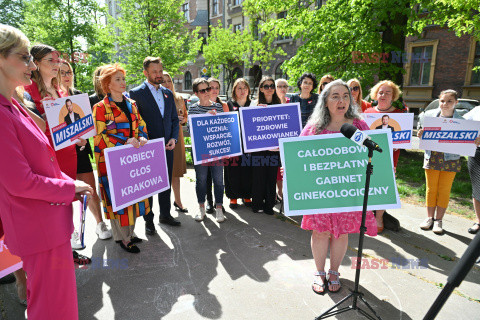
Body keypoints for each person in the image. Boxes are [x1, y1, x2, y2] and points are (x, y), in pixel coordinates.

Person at [0, 24, 93, 319]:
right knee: (52, 309)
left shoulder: (14, 106)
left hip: (48, 225)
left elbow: (45, 162)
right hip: (38, 229)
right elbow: (20, 182)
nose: (31, 65)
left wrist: (71, 182)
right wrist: (70, 188)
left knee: (58, 305)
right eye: (24, 57)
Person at [301, 79, 378, 295]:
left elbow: (371, 156)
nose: (342, 100)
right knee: (320, 231)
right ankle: (319, 272)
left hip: (348, 191)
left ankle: (334, 271)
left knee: (342, 232)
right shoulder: (314, 128)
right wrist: (289, 171)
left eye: (345, 95)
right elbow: (299, 159)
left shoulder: (358, 126)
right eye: (335, 96)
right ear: (325, 101)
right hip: (320, 191)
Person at [24, 44, 91, 260]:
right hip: (45, 158)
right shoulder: (27, 92)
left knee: (65, 204)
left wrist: (81, 140)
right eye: (50, 61)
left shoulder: (62, 90)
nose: (57, 64)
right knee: (50, 205)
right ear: (36, 64)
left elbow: (72, 126)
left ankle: (66, 248)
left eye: (57, 59)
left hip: (68, 155)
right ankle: (51, 251)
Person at [93, 63, 150, 253]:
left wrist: (142, 137)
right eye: (118, 79)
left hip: (132, 159)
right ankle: (124, 238)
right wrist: (123, 143)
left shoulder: (131, 103)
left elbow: (140, 124)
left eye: (123, 78)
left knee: (133, 195)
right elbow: (99, 136)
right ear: (107, 84)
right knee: (118, 199)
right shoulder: (100, 107)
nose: (123, 82)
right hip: (111, 162)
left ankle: (128, 234)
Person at [59, 61, 112, 240]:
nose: (67, 76)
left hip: (81, 151)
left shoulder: (79, 96)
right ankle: (70, 231)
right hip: (60, 155)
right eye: (63, 72)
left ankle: (99, 224)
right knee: (64, 194)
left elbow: (89, 126)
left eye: (70, 72)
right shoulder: (49, 99)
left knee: (89, 190)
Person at [129, 57, 181, 235]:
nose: (159, 75)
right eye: (155, 72)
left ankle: (165, 214)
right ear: (146, 73)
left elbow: (174, 119)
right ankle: (148, 220)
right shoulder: (135, 93)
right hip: (147, 148)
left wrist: (174, 138)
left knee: (165, 182)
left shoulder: (167, 93)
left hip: (167, 146)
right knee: (149, 186)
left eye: (160, 71)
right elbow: (134, 122)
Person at [417, 90, 479, 234]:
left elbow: (470, 139)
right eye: (442, 101)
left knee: (444, 190)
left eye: (449, 101)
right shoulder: (429, 116)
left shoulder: (463, 122)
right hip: (432, 157)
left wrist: (475, 140)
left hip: (451, 160)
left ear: (456, 103)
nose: (445, 104)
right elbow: (422, 133)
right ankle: (429, 218)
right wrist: (420, 133)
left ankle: (439, 220)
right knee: (431, 189)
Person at [364, 80, 406, 232]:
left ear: (393, 96)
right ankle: (367, 218)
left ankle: (379, 218)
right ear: (375, 94)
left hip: (389, 160)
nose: (383, 95)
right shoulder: (367, 114)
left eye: (388, 92)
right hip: (368, 158)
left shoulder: (400, 115)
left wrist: (398, 144)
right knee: (368, 188)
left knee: (382, 189)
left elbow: (404, 140)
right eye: (381, 92)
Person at [188, 78, 226, 223]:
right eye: (203, 90)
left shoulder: (218, 107)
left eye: (208, 89)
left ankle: (219, 208)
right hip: (200, 151)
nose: (207, 92)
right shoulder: (193, 108)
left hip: (217, 150)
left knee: (218, 180)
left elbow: (224, 129)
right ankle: (201, 207)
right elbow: (192, 130)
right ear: (196, 93)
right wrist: (205, 118)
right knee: (201, 180)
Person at [250, 76, 281, 215]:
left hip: (274, 148)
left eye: (272, 86)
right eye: (266, 86)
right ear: (261, 89)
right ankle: (256, 204)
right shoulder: (254, 104)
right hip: (259, 148)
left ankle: (269, 205)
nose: (269, 89)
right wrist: (255, 110)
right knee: (258, 177)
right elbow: (249, 123)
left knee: (271, 177)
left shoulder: (279, 104)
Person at [162, 71, 188, 213]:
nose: (167, 84)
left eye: (169, 81)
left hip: (177, 138)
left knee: (176, 173)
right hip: (163, 137)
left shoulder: (178, 98)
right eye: (163, 81)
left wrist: (183, 120)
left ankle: (178, 201)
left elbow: (185, 116)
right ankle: (164, 208)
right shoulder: (160, 98)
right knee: (162, 174)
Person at [225, 78, 253, 208]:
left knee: (248, 170)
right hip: (233, 143)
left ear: (249, 90)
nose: (242, 91)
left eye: (245, 88)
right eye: (239, 88)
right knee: (233, 170)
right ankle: (233, 197)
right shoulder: (228, 105)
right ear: (234, 91)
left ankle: (247, 195)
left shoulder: (253, 104)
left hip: (249, 144)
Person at [205, 77, 229, 211]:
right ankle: (209, 201)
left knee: (219, 177)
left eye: (216, 88)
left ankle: (219, 203)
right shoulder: (202, 104)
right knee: (207, 175)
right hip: (206, 145)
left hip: (220, 145)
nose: (214, 90)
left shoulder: (223, 105)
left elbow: (228, 125)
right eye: (211, 87)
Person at [464, 106, 480, 234]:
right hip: (477, 154)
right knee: (477, 188)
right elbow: (460, 124)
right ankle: (479, 221)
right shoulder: (477, 110)